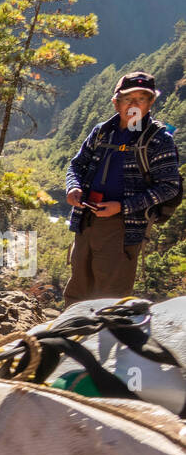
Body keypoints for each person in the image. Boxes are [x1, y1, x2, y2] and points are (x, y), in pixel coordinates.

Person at [63, 70, 182, 305]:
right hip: (86, 220)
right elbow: (76, 165)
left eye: (142, 98)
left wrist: (122, 206)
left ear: (151, 103)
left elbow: (170, 187)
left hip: (122, 228)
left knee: (110, 299)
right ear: (116, 102)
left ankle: (106, 339)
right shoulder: (101, 131)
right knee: (78, 290)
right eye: (129, 98)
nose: (135, 104)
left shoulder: (159, 140)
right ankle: (71, 339)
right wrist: (73, 188)